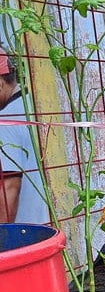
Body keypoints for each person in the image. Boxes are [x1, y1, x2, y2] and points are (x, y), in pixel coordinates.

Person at [0, 45, 48, 224]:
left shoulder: (6, 120)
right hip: (49, 226)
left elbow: (10, 188)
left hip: (27, 233)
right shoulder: (35, 104)